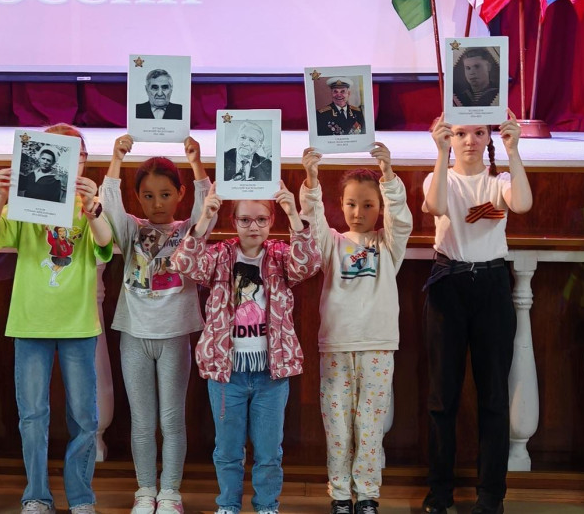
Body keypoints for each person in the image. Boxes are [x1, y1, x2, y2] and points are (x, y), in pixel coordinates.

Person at [0, 124, 113, 514]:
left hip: (78, 324)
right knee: (33, 416)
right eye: (50, 153)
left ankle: (81, 497)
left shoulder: (88, 207)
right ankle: (36, 495)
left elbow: (105, 243)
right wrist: (0, 196)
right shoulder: (23, 201)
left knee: (84, 417)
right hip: (30, 322)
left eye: (76, 154)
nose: (66, 162)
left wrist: (93, 210)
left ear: (83, 161)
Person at [168, 182, 321, 514]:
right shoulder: (220, 255)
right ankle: (228, 505)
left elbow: (309, 264)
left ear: (271, 221)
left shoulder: (279, 255)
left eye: (262, 220)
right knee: (227, 450)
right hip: (227, 374)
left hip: (270, 374)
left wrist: (294, 216)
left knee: (269, 452)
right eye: (245, 220)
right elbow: (183, 263)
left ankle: (266, 506)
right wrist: (204, 220)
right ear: (234, 222)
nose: (254, 227)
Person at [419, 111, 532, 514]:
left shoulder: (499, 181)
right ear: (450, 136)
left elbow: (523, 203)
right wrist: (440, 152)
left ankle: (490, 496)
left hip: (492, 286)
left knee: (494, 397)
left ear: (489, 138)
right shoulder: (439, 178)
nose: (469, 140)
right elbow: (435, 206)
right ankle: (439, 493)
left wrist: (514, 151)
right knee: (442, 397)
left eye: (478, 133)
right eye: (460, 133)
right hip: (448, 283)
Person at [101, 134, 210, 514]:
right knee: (143, 421)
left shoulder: (188, 231)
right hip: (134, 335)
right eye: (148, 196)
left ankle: (170, 493)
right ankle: (146, 490)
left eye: (165, 194)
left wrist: (196, 164)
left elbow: (208, 210)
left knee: (172, 419)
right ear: (138, 198)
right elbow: (109, 205)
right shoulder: (131, 229)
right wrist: (116, 158)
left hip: (174, 336)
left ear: (180, 194)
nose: (157, 203)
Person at [300, 143, 412, 514]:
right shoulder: (332, 243)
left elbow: (402, 219)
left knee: (370, 425)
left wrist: (389, 175)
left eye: (368, 205)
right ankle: (339, 496)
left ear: (380, 208)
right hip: (336, 345)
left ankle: (366, 495)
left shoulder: (387, 244)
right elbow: (312, 223)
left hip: (377, 345)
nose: (358, 212)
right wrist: (311, 180)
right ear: (341, 204)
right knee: (337, 426)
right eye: (351, 204)